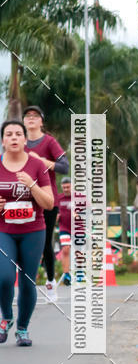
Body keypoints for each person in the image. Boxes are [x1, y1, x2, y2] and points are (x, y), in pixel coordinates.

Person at [0, 120, 54, 346]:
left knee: (27, 282)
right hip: (4, 230)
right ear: (3, 140)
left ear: (25, 140)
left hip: (33, 231)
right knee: (4, 278)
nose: (13, 137)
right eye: (9, 134)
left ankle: (22, 329)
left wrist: (32, 185)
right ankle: (7, 319)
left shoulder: (36, 165)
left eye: (18, 134)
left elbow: (49, 203)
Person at [23, 106, 68, 302]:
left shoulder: (49, 142)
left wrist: (41, 161)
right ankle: (27, 284)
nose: (31, 119)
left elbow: (64, 166)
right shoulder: (19, 143)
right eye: (27, 116)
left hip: (47, 199)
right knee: (22, 241)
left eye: (35, 116)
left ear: (41, 122)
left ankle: (50, 281)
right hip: (23, 200)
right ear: (24, 122)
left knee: (44, 242)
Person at [57, 177, 72, 285]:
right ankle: (66, 275)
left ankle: (80, 273)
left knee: (79, 252)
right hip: (64, 229)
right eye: (64, 187)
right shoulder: (58, 198)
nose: (66, 189)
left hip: (78, 229)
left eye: (68, 187)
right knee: (65, 249)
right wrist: (55, 217)